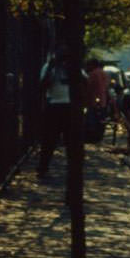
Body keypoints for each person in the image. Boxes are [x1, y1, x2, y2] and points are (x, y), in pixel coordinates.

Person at [37, 49, 87, 179]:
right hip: (54, 105)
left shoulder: (74, 68)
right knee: (49, 140)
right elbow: (43, 86)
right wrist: (52, 68)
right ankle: (43, 167)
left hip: (69, 106)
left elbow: (85, 82)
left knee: (71, 141)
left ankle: (73, 169)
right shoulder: (49, 67)